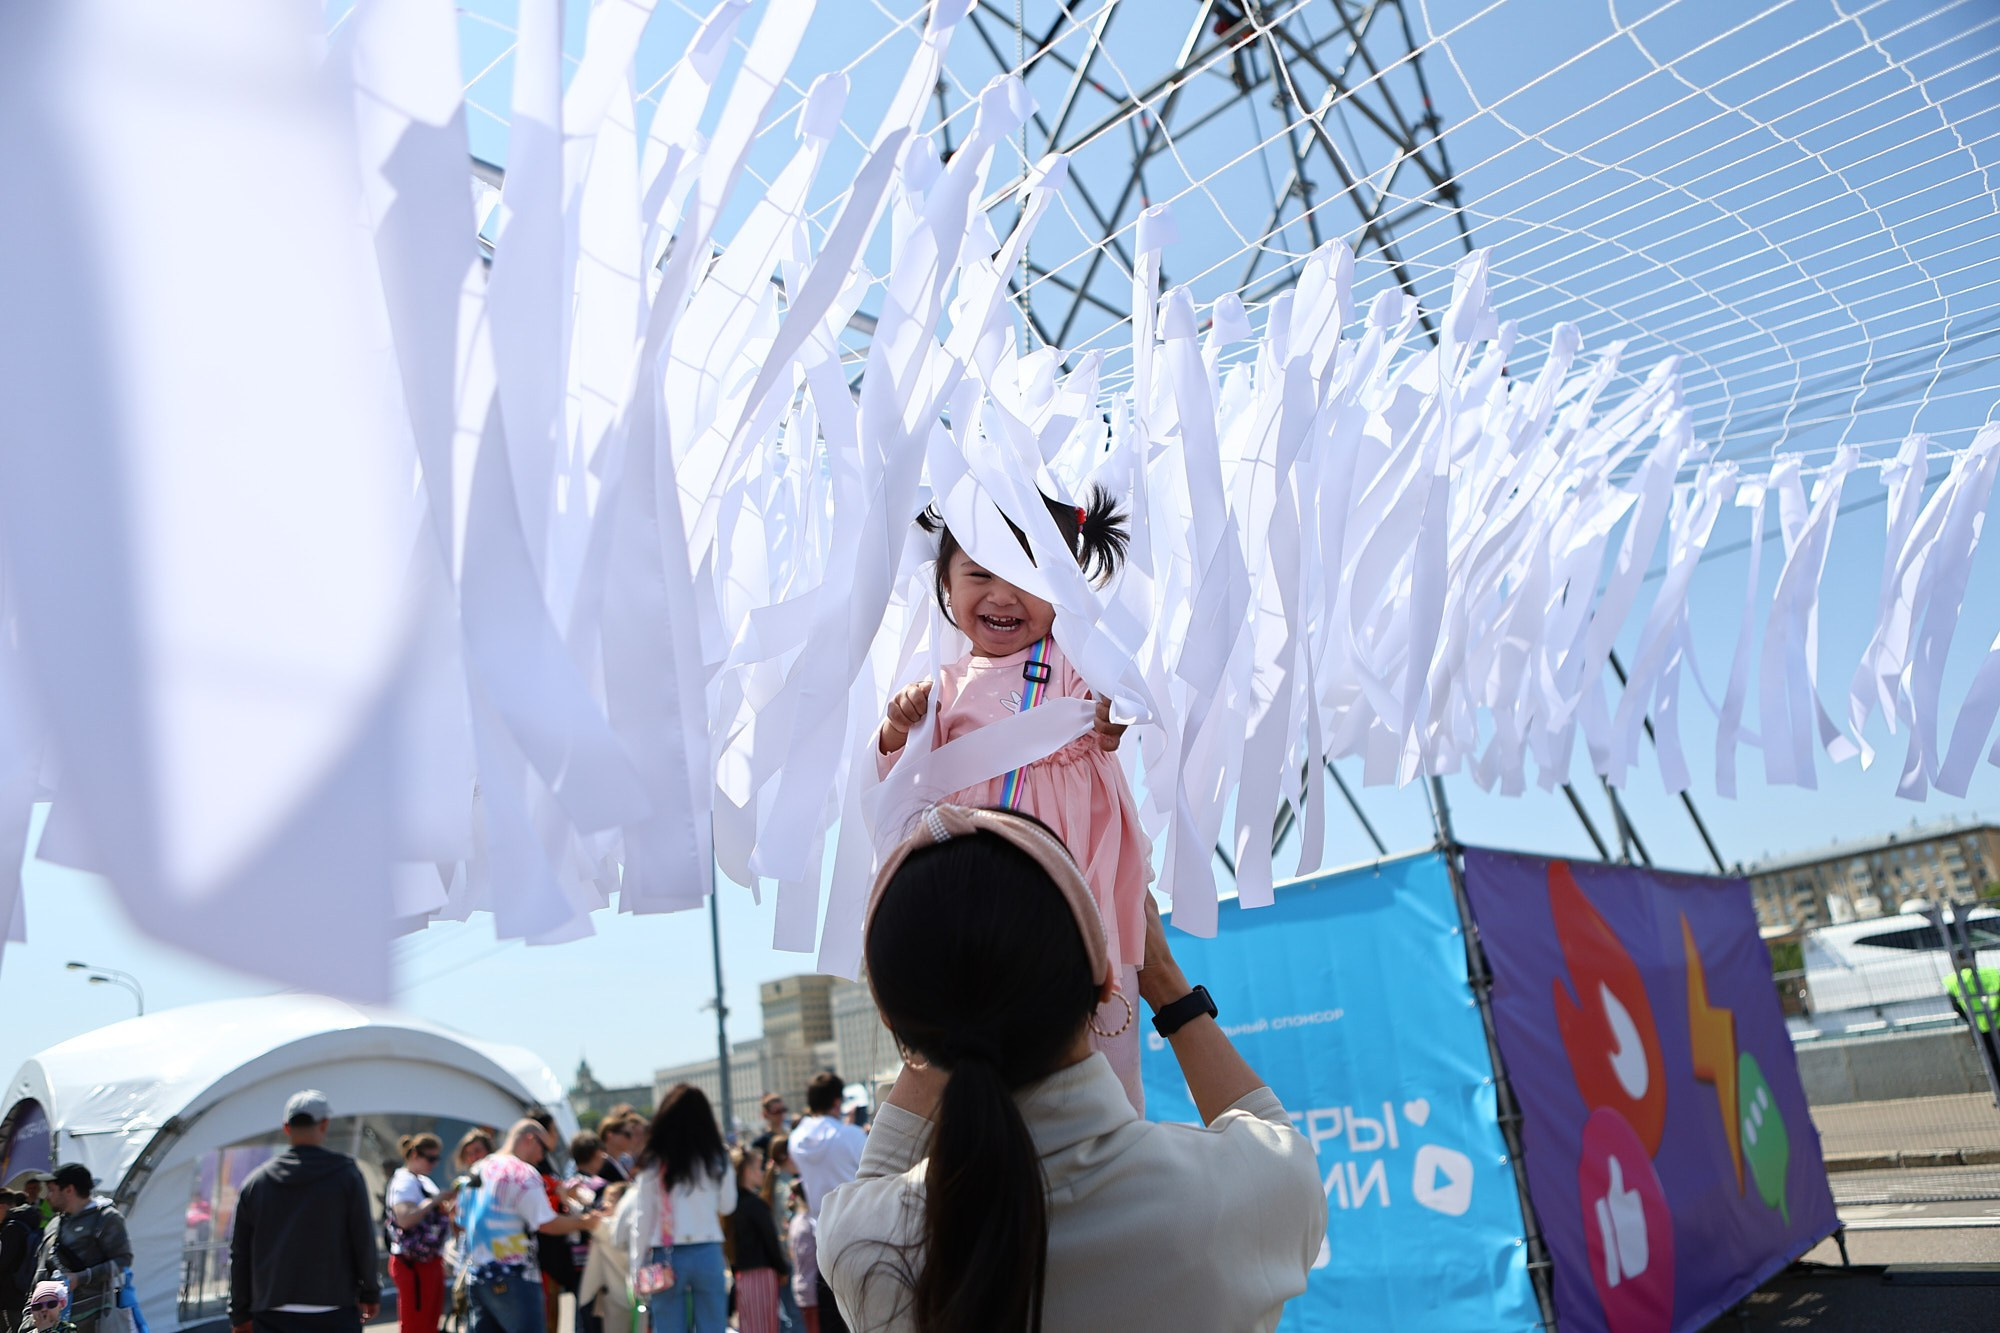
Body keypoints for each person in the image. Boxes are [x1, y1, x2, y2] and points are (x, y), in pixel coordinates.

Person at [819, 805, 1325, 1332]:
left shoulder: (867, 1244)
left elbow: (869, 1191)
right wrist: (1166, 983)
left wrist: (947, 1009)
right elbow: (1275, 1138)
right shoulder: (1234, 1195)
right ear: (1105, 974)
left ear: (893, 1019)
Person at [880, 488, 1150, 1110]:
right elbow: (899, 785)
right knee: (982, 1039)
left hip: (1077, 889)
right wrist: (897, 727)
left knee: (1098, 1036)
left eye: (1027, 577)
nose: (1002, 596)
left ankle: (1112, 1137)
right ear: (946, 585)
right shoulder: (941, 688)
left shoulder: (1077, 664)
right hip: (979, 900)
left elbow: (1123, 703)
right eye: (980, 573)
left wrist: (1114, 713)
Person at [226, 1092, 379, 1333]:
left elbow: (240, 1254)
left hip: (271, 1311)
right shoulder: (347, 1174)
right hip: (335, 1308)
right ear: (324, 1124)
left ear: (286, 1128)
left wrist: (239, 1313)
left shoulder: (256, 1182)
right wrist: (370, 1292)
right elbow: (363, 1239)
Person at [457, 1122, 597, 1333]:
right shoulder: (522, 1172)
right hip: (515, 1276)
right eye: (544, 1149)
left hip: (477, 1276)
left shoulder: (477, 1169)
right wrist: (586, 1222)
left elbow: (461, 1221)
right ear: (530, 1139)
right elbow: (546, 1223)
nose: (542, 1157)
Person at [625, 1086, 734, 1333]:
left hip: (667, 1253)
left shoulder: (655, 1161)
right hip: (708, 1249)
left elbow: (643, 1218)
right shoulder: (718, 1157)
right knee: (714, 1326)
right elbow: (728, 1205)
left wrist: (636, 1266)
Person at [787, 1075, 863, 1333]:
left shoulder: (797, 1139)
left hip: (822, 1237)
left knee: (830, 1322)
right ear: (837, 1101)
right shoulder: (851, 1135)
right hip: (857, 1235)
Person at [30, 1165, 131, 1333]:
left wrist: (81, 1278)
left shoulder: (106, 1219)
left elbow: (122, 1260)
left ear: (69, 1190)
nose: (46, 1197)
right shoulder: (54, 1225)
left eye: (52, 1190)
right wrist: (29, 1315)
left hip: (94, 1316)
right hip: (53, 1320)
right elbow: (41, 1273)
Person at [385, 1134, 455, 1333]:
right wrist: (434, 1201)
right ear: (415, 1155)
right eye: (430, 1158)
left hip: (427, 1262)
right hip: (413, 1264)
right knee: (416, 1325)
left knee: (429, 1323)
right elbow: (404, 1219)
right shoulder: (404, 1182)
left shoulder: (422, 1180)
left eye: (436, 1159)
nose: (434, 1164)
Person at [573, 1183, 634, 1333]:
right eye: (605, 1200)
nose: (605, 1205)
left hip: (616, 1298)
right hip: (622, 1296)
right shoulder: (632, 1226)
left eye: (611, 1201)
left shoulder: (609, 1226)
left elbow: (586, 1220)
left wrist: (565, 1198)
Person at [1, 1190, 37, 1333]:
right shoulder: (26, 1225)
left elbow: (3, 1261)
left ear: (2, 1206)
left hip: (9, 1293)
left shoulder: (11, 1228)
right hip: (23, 1287)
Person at [783, 1185, 817, 1333]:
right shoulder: (811, 1222)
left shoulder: (795, 1222)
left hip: (799, 1285)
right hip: (814, 1287)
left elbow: (791, 1253)